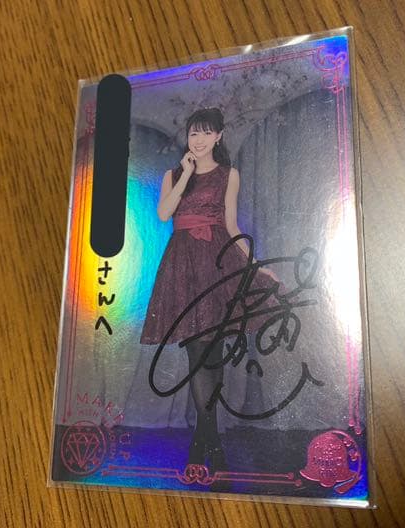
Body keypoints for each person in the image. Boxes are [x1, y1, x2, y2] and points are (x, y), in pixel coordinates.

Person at [140, 107, 279, 475]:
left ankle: (203, 440)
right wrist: (186, 173)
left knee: (212, 357)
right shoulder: (172, 175)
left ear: (218, 136)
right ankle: (210, 440)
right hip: (183, 267)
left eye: (205, 133)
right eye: (193, 133)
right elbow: (164, 215)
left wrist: (256, 265)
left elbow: (232, 227)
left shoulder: (229, 175)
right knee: (196, 355)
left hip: (217, 264)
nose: (198, 140)